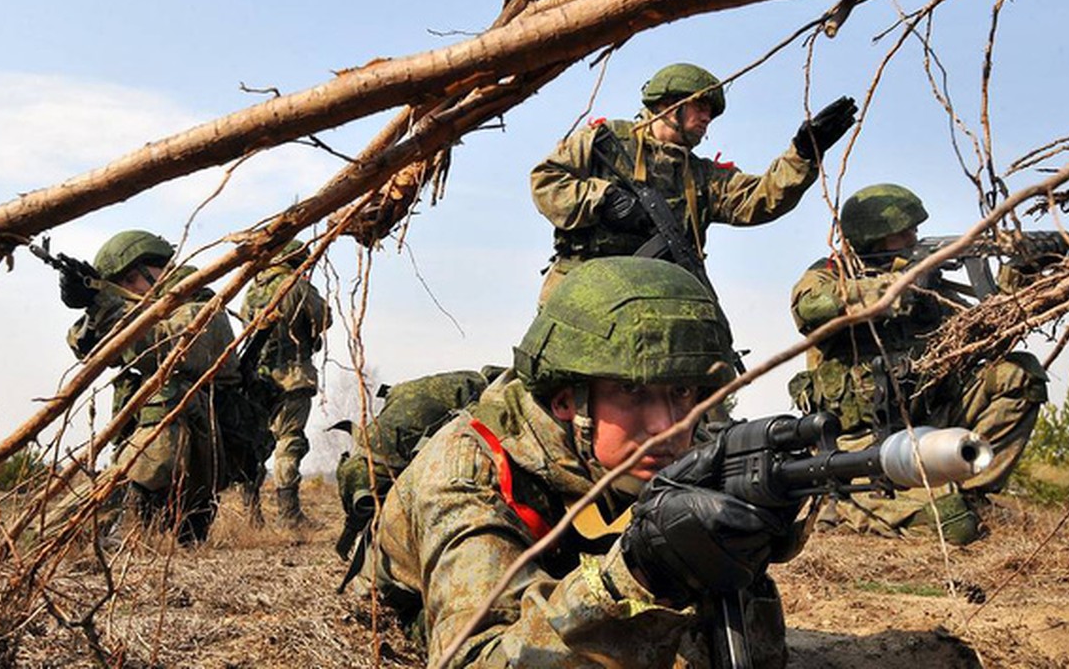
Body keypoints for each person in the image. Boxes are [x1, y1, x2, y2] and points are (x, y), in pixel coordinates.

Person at [365, 256, 804, 668]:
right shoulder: (469, 472)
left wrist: (744, 553)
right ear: (566, 400)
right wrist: (640, 573)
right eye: (634, 392)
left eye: (682, 393)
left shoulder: (680, 449)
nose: (667, 426)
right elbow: (475, 659)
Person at [788, 184, 1049, 544]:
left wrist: (1025, 272)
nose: (914, 237)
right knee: (956, 526)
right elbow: (811, 310)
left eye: (914, 229)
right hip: (862, 449)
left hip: (930, 427)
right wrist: (898, 288)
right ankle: (853, 507)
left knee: (1018, 376)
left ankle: (970, 490)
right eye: (903, 232)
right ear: (872, 238)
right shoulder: (828, 275)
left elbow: (988, 333)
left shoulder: (929, 285)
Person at [530, 62, 856, 303]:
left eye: (711, 113)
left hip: (656, 297)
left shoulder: (700, 175)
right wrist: (602, 198)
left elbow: (760, 199)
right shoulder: (604, 140)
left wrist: (803, 154)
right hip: (584, 290)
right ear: (667, 104)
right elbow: (546, 181)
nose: (706, 118)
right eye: (700, 106)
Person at [61, 229, 245, 544]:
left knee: (169, 390)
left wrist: (108, 307)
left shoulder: (201, 305)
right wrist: (92, 306)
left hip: (206, 455)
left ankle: (129, 528)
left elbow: (166, 349)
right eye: (121, 287)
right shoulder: (146, 313)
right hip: (157, 463)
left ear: (161, 269)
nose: (131, 290)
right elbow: (91, 351)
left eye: (133, 279)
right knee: (58, 529)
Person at [240, 239, 332, 527]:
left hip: (257, 378)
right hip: (292, 377)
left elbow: (245, 325)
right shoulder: (296, 286)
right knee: (289, 442)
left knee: (257, 445)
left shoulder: (252, 291)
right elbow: (324, 319)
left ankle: (251, 517)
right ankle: (289, 515)